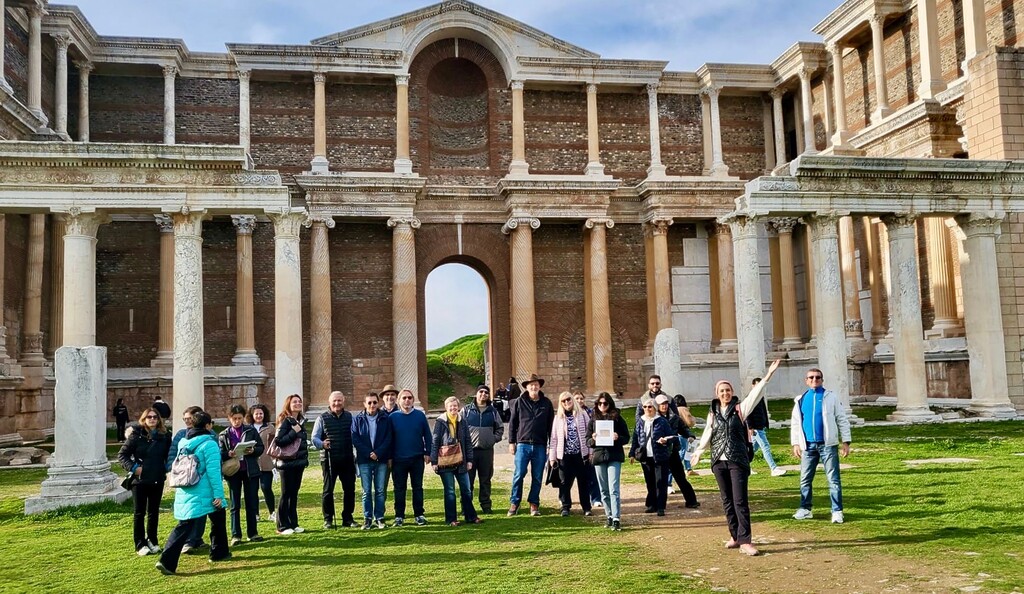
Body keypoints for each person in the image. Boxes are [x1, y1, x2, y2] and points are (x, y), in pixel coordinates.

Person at [692, 359, 782, 557]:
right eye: (722, 391)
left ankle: (745, 540)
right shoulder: (713, 413)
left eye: (728, 390)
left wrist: (768, 375)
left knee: (740, 500)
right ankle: (734, 536)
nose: (725, 393)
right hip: (718, 461)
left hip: (737, 460)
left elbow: (756, 394)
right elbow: (708, 432)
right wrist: (699, 451)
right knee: (727, 500)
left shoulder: (741, 409)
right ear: (717, 394)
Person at [155, 411, 231, 575]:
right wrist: (219, 495)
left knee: (193, 522)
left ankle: (220, 552)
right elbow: (213, 472)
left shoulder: (184, 443)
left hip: (186, 489)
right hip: (205, 490)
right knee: (197, 523)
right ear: (208, 426)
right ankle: (167, 560)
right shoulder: (209, 444)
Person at [791, 367, 852, 524]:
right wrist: (796, 443)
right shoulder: (800, 399)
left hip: (827, 445)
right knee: (805, 478)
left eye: (817, 377)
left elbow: (842, 419)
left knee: (833, 479)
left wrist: (846, 441)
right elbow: (796, 422)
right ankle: (805, 509)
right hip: (808, 446)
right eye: (811, 377)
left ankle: (837, 511)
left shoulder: (830, 397)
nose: (814, 380)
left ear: (822, 380)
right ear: (806, 380)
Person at [118, 407, 171, 556]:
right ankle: (140, 543)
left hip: (157, 478)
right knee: (139, 513)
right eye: (149, 417)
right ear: (144, 419)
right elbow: (122, 455)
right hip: (140, 481)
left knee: (153, 512)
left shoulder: (164, 436)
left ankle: (152, 541)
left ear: (159, 419)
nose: (152, 419)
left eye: (155, 417)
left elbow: (169, 454)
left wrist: (166, 467)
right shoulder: (136, 436)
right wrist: (134, 468)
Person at [506, 373, 554, 517]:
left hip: (540, 445)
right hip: (523, 444)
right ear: (526, 387)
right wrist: (511, 442)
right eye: (531, 385)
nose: (534, 387)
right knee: (519, 474)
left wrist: (551, 445)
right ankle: (515, 502)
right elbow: (512, 423)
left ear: (539, 386)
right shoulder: (519, 402)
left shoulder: (546, 403)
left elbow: (551, 426)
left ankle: (534, 503)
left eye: (536, 385)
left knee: (537, 476)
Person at [431, 396, 482, 527]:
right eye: (450, 406)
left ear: (458, 407)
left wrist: (469, 459)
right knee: (450, 491)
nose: (453, 408)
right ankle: (451, 519)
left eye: (455, 406)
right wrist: (434, 461)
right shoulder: (440, 422)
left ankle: (471, 516)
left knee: (466, 490)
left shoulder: (462, 421)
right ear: (446, 408)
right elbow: (435, 441)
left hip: (461, 461)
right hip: (445, 461)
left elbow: (468, 442)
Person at [218, 404, 264, 545]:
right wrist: (228, 453)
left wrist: (253, 451)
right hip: (234, 472)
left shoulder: (250, 430)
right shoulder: (224, 435)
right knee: (235, 504)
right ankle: (236, 535)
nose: (237, 421)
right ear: (229, 418)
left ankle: (253, 533)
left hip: (250, 470)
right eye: (234, 418)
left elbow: (261, 447)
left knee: (251, 502)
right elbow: (220, 454)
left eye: (240, 418)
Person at [165, 405, 207, 554]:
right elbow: (172, 454)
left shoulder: (208, 434)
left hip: (201, 478)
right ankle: (188, 541)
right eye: (185, 419)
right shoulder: (180, 435)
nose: (187, 421)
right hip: (184, 477)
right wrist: (172, 469)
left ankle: (196, 538)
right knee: (187, 510)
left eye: (190, 418)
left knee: (201, 510)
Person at [311, 391, 356, 529]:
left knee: (349, 489)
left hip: (347, 458)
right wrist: (322, 444)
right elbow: (314, 438)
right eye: (334, 401)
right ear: (330, 403)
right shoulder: (322, 418)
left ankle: (347, 518)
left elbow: (355, 434)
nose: (337, 403)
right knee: (328, 490)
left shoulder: (350, 417)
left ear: (343, 401)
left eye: (339, 401)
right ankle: (328, 519)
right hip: (329, 459)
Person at [389, 388, 431, 526]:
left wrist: (428, 452)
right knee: (399, 489)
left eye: (410, 398)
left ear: (413, 400)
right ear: (399, 400)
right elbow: (388, 439)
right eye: (404, 398)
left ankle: (419, 514)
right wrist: (389, 457)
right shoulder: (393, 417)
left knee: (417, 487)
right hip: (398, 459)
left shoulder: (420, 416)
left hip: (417, 458)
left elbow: (428, 436)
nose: (407, 400)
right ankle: (399, 516)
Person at [587, 392, 629, 530]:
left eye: (605, 403)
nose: (602, 406)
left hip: (614, 455)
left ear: (610, 404)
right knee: (603, 490)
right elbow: (588, 441)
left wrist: (618, 437)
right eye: (600, 403)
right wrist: (593, 438)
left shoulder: (617, 418)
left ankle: (616, 517)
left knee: (613, 488)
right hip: (599, 456)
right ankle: (609, 515)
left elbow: (626, 437)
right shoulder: (593, 419)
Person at [352, 391, 393, 529]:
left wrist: (378, 452)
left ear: (378, 403)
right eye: (369, 402)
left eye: (374, 402)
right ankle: (367, 518)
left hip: (380, 459)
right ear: (364, 404)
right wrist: (369, 453)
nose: (372, 405)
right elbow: (355, 438)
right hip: (364, 460)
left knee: (380, 490)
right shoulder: (358, 419)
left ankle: (380, 517)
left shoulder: (385, 418)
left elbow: (388, 438)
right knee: (366, 491)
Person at [461, 384, 504, 514]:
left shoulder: (493, 411)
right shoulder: (466, 411)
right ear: (476, 393)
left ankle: (486, 506)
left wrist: (493, 439)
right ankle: (466, 507)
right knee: (468, 480)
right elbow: (459, 428)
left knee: (485, 479)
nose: (483, 394)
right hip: (470, 451)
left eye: (486, 392)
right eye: (481, 392)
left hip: (486, 451)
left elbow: (500, 428)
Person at [549, 391, 592, 517]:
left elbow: (589, 434)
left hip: (580, 454)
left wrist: (590, 452)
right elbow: (554, 438)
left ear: (572, 400)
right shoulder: (558, 418)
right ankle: (565, 506)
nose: (567, 402)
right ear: (561, 403)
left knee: (583, 482)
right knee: (564, 482)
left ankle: (586, 507)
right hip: (564, 455)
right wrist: (552, 457)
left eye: (569, 399)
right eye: (563, 401)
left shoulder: (582, 414)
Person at [629, 396, 673, 516]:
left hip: (660, 456)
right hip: (645, 457)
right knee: (650, 482)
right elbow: (635, 439)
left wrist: (665, 440)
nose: (647, 409)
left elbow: (671, 437)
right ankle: (651, 504)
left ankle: (660, 506)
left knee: (661, 482)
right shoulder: (640, 421)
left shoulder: (662, 421)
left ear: (655, 408)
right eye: (645, 407)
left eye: (650, 407)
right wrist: (632, 453)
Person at [274, 394, 309, 535]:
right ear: (289, 404)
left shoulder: (300, 420)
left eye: (299, 401)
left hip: (298, 462)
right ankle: (282, 525)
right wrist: (293, 433)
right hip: (286, 463)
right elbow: (279, 441)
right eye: (295, 402)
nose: (298, 403)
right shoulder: (285, 420)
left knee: (294, 493)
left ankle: (293, 523)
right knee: (285, 493)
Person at [656, 394, 700, 508]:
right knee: (659, 480)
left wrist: (690, 435)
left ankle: (691, 501)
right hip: (659, 452)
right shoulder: (654, 419)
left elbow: (684, 428)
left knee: (680, 477)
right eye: (661, 404)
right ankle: (658, 505)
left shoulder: (674, 417)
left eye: (666, 404)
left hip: (672, 451)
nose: (664, 406)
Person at [748, 377, 786, 477]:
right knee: (765, 447)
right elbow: (747, 414)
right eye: (757, 385)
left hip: (761, 426)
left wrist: (766, 423)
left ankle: (744, 466)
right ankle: (773, 468)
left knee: (752, 449)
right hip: (756, 428)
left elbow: (763, 411)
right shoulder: (751, 397)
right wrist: (750, 427)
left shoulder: (760, 397)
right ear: (753, 386)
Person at [246, 403, 276, 523]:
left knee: (266, 487)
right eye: (256, 414)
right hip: (252, 463)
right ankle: (256, 513)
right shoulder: (248, 428)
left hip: (266, 463)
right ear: (252, 415)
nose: (259, 416)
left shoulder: (270, 427)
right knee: (253, 490)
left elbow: (274, 444)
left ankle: (272, 512)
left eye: (261, 413)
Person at [573, 390, 602, 509]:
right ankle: (564, 498)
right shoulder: (569, 412)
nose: (580, 401)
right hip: (574, 448)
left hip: (589, 446)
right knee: (570, 476)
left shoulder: (590, 412)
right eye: (577, 398)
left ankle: (595, 498)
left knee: (592, 474)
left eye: (581, 398)